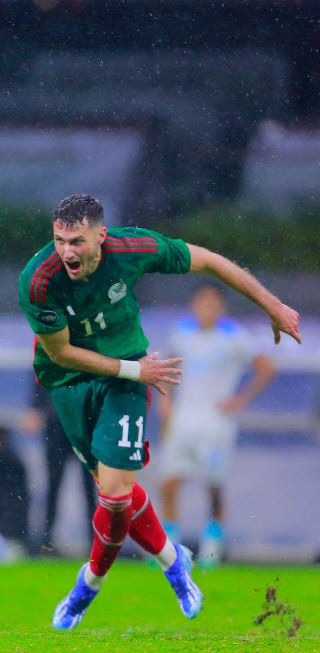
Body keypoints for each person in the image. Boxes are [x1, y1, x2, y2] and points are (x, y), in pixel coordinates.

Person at [17, 193, 299, 630]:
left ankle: (88, 584)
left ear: (101, 236)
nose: (67, 252)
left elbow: (209, 261)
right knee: (118, 497)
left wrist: (273, 306)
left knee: (113, 495)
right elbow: (63, 352)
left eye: (77, 241)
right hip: (70, 381)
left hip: (129, 377)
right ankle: (173, 558)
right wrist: (135, 368)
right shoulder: (38, 281)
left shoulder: (131, 250)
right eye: (59, 241)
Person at [155, 284, 276, 568]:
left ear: (221, 308)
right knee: (170, 481)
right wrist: (165, 400)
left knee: (213, 485)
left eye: (212, 304)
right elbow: (165, 367)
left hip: (215, 421)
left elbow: (266, 367)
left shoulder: (235, 337)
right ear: (194, 305)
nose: (206, 308)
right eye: (201, 302)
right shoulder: (180, 332)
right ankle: (168, 551)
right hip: (182, 417)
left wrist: (240, 399)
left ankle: (211, 550)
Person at [19, 378, 97, 556]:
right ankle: (46, 541)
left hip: (84, 424)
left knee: (89, 488)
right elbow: (42, 374)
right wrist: (36, 408)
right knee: (54, 486)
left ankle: (96, 542)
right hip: (58, 424)